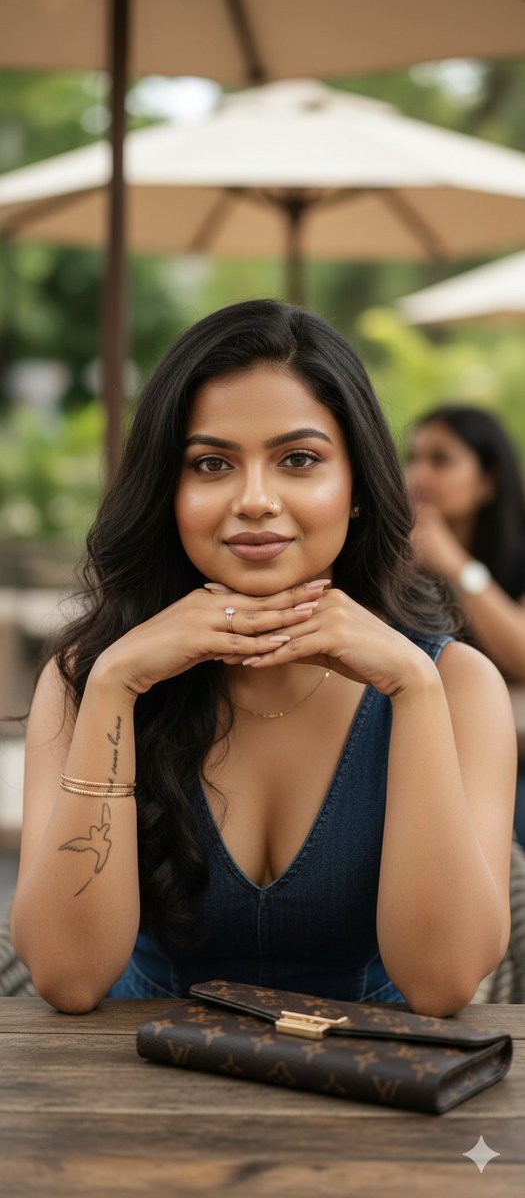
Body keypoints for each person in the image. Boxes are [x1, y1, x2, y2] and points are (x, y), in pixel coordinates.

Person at [9, 300, 516, 1017]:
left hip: (373, 1109)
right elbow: (67, 977)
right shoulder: (86, 679)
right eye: (211, 463)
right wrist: (116, 685)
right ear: (167, 491)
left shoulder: (456, 684)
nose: (254, 500)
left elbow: (440, 985)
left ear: (358, 489)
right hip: (131, 1100)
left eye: (298, 460)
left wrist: (412, 688)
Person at [405, 405, 525, 849]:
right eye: (412, 457)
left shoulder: (515, 554)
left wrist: (457, 566)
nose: (418, 474)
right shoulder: (396, 557)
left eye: (441, 460)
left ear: (488, 480)